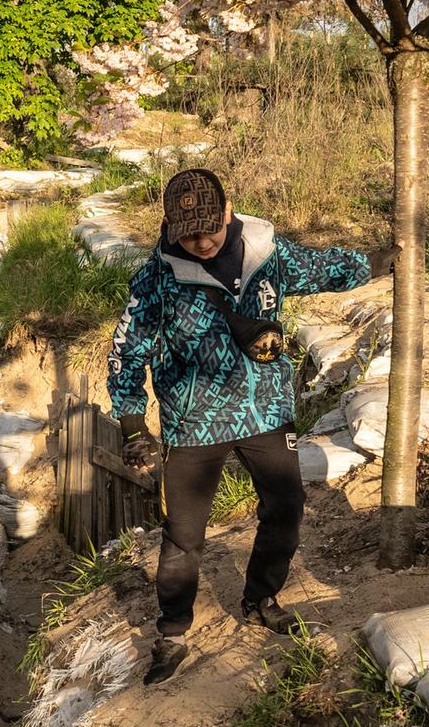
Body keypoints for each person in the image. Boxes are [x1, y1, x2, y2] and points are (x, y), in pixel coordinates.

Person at [107, 168, 382, 684]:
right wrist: (132, 426)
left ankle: (261, 598)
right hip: (192, 426)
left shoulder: (268, 254)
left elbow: (324, 268)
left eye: (209, 229)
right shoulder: (154, 280)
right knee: (183, 537)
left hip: (266, 413)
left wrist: (385, 259)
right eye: (188, 234)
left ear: (228, 212)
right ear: (169, 227)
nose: (202, 242)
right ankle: (172, 634)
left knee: (286, 508)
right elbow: (126, 354)